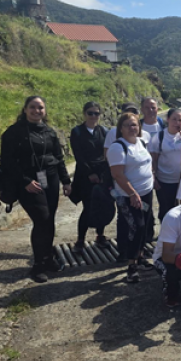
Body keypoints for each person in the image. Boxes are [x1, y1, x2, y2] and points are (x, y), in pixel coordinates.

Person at [1, 96, 71, 283]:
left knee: (50, 221)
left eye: (40, 107)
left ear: (45, 111)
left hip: (51, 179)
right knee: (42, 219)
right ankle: (38, 264)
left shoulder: (49, 132)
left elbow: (58, 157)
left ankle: (48, 258)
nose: (36, 111)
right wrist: (25, 181)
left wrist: (65, 181)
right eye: (32, 107)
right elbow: (7, 162)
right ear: (25, 109)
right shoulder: (13, 133)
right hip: (28, 183)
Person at [107, 112, 155, 284]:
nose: (132, 128)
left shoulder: (141, 142)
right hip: (129, 196)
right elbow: (117, 174)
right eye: (127, 125)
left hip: (146, 192)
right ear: (121, 128)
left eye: (134, 124)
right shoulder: (117, 147)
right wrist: (132, 194)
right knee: (137, 227)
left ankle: (140, 256)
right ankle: (131, 266)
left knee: (145, 225)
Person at [69, 101, 110, 253]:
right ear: (84, 114)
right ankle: (80, 240)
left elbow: (107, 153)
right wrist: (90, 173)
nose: (93, 116)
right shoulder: (77, 132)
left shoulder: (104, 131)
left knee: (102, 205)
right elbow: (79, 156)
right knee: (88, 207)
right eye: (90, 113)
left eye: (96, 113)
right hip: (85, 176)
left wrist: (102, 173)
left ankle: (100, 235)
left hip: (101, 174)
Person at [149, 108, 181, 223]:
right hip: (164, 180)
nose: (177, 123)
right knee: (165, 209)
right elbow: (153, 159)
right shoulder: (159, 137)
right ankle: (164, 234)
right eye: (174, 119)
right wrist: (154, 177)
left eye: (180, 120)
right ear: (167, 119)